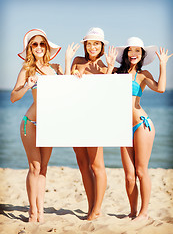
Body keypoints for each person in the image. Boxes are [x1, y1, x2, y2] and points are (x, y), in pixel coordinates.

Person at [107, 37, 173, 221]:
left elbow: (160, 89)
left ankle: (144, 212)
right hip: (122, 128)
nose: (134, 54)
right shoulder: (115, 73)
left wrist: (162, 64)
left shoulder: (143, 74)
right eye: (130, 50)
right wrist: (109, 64)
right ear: (126, 53)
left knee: (141, 171)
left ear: (142, 54)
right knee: (129, 176)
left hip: (141, 124)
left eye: (138, 50)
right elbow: (102, 88)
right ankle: (133, 211)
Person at [10, 28, 63, 223]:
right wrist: (26, 86)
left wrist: (71, 68)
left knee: (44, 168)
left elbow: (68, 92)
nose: (39, 47)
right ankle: (33, 213)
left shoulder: (55, 69)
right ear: (30, 48)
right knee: (34, 167)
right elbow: (13, 97)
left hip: (49, 124)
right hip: (31, 123)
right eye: (35, 44)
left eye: (42, 44)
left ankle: (40, 211)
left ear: (47, 47)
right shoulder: (27, 70)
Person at [65, 27, 115, 220]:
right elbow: (65, 87)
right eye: (89, 43)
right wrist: (69, 62)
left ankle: (97, 209)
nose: (92, 47)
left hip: (95, 119)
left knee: (96, 165)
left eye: (96, 43)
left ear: (102, 46)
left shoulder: (104, 66)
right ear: (85, 45)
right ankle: (90, 206)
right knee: (83, 164)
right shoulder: (77, 61)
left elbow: (108, 93)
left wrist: (110, 68)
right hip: (75, 119)